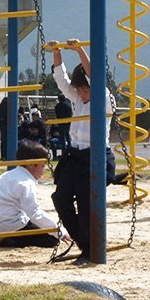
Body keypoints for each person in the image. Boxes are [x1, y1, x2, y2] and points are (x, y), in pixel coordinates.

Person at [48, 39, 115, 264]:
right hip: (75, 156)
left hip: (94, 157)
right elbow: (61, 80)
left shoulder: (102, 98)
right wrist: (57, 53)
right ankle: (81, 241)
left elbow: (94, 76)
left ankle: (90, 248)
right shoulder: (77, 98)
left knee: (87, 204)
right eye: (79, 90)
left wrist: (79, 50)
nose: (82, 93)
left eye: (86, 89)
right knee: (60, 197)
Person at [0, 139, 70, 248]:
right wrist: (58, 231)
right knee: (51, 240)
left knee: (34, 226)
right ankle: (3, 240)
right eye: (42, 166)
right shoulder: (25, 183)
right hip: (11, 225)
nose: (44, 170)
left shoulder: (6, 175)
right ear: (31, 164)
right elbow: (34, 213)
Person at [50, 93, 73, 160]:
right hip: (68, 123)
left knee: (62, 139)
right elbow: (70, 114)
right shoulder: (68, 105)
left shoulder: (57, 106)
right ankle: (70, 151)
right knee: (69, 139)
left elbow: (57, 115)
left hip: (61, 123)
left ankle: (64, 152)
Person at [0, 95, 10, 160]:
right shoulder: (8, 105)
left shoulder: (1, 107)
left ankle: (3, 156)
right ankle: (7, 155)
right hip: (7, 125)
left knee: (3, 141)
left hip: (2, 125)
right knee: (7, 140)